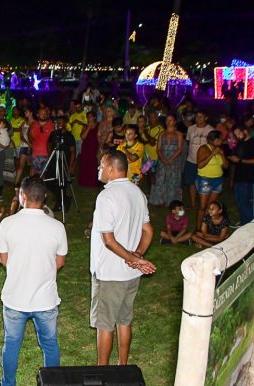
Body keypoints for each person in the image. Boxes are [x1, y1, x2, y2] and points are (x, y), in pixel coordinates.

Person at [0, 175, 67, 386]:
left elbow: (4, 259)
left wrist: (21, 268)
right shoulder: (57, 227)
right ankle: (52, 383)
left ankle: (8, 383)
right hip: (45, 299)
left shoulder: (7, 224)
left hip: (15, 297)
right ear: (43, 197)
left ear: (22, 196)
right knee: (50, 344)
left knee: (12, 343)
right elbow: (60, 262)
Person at [91, 150, 156, 365]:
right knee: (124, 320)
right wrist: (136, 256)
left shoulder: (106, 196)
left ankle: (104, 371)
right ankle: (123, 367)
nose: (98, 169)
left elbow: (108, 240)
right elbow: (148, 231)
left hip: (110, 273)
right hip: (130, 274)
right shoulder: (137, 192)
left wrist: (134, 259)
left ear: (111, 168)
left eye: (101, 165)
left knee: (105, 324)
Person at [228, 125, 254, 225]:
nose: (237, 136)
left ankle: (249, 224)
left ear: (245, 131)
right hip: (239, 176)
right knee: (239, 201)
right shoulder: (240, 143)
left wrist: (240, 160)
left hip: (247, 177)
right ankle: (244, 221)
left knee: (244, 201)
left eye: (239, 133)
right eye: (235, 134)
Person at [195, 130, 227, 230]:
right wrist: (212, 154)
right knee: (203, 207)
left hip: (217, 180)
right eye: (220, 139)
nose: (222, 140)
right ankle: (198, 228)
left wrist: (221, 154)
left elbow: (226, 166)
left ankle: (206, 227)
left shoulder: (220, 150)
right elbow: (200, 165)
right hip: (205, 180)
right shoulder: (203, 148)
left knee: (211, 207)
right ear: (215, 140)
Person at [149, 114, 184, 206]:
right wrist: (163, 159)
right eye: (167, 120)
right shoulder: (162, 134)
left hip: (174, 161)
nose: (168, 122)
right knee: (161, 180)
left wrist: (170, 159)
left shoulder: (179, 134)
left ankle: (172, 201)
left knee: (172, 180)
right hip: (162, 160)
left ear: (175, 121)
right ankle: (160, 200)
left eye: (171, 120)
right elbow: (158, 149)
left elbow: (180, 149)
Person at [184, 111, 214, 208]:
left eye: (201, 116)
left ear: (206, 117)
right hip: (191, 160)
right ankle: (193, 203)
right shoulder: (191, 128)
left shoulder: (210, 130)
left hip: (204, 162)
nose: (198, 118)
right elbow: (189, 142)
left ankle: (204, 203)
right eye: (197, 116)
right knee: (191, 182)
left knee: (204, 183)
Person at [28, 107, 54, 176]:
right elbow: (29, 136)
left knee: (43, 175)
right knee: (33, 174)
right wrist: (34, 144)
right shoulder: (33, 125)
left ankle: (42, 186)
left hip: (46, 154)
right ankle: (32, 186)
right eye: (42, 113)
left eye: (45, 113)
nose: (44, 115)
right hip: (35, 154)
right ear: (37, 115)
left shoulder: (51, 125)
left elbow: (53, 140)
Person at [78, 111, 101, 188]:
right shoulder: (85, 126)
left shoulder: (98, 126)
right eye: (88, 117)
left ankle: (93, 182)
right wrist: (88, 127)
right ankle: (84, 182)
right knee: (85, 164)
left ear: (94, 117)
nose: (89, 118)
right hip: (86, 148)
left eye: (90, 116)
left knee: (94, 165)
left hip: (94, 147)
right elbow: (82, 137)